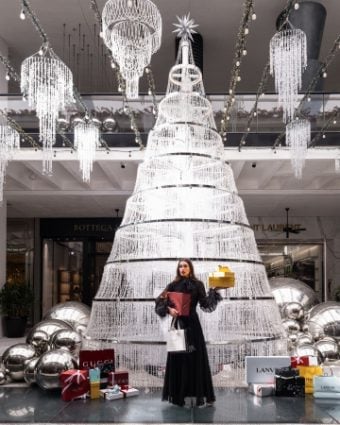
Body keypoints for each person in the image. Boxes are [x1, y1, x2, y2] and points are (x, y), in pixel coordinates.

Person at [155, 258, 222, 407]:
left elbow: (205, 305)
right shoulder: (172, 285)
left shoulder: (198, 284)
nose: (182, 269)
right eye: (180, 266)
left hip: (193, 325)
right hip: (179, 325)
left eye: (185, 266)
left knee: (196, 358)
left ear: (190, 268)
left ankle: (199, 394)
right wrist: (168, 309)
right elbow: (159, 301)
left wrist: (214, 291)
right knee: (179, 358)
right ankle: (180, 395)